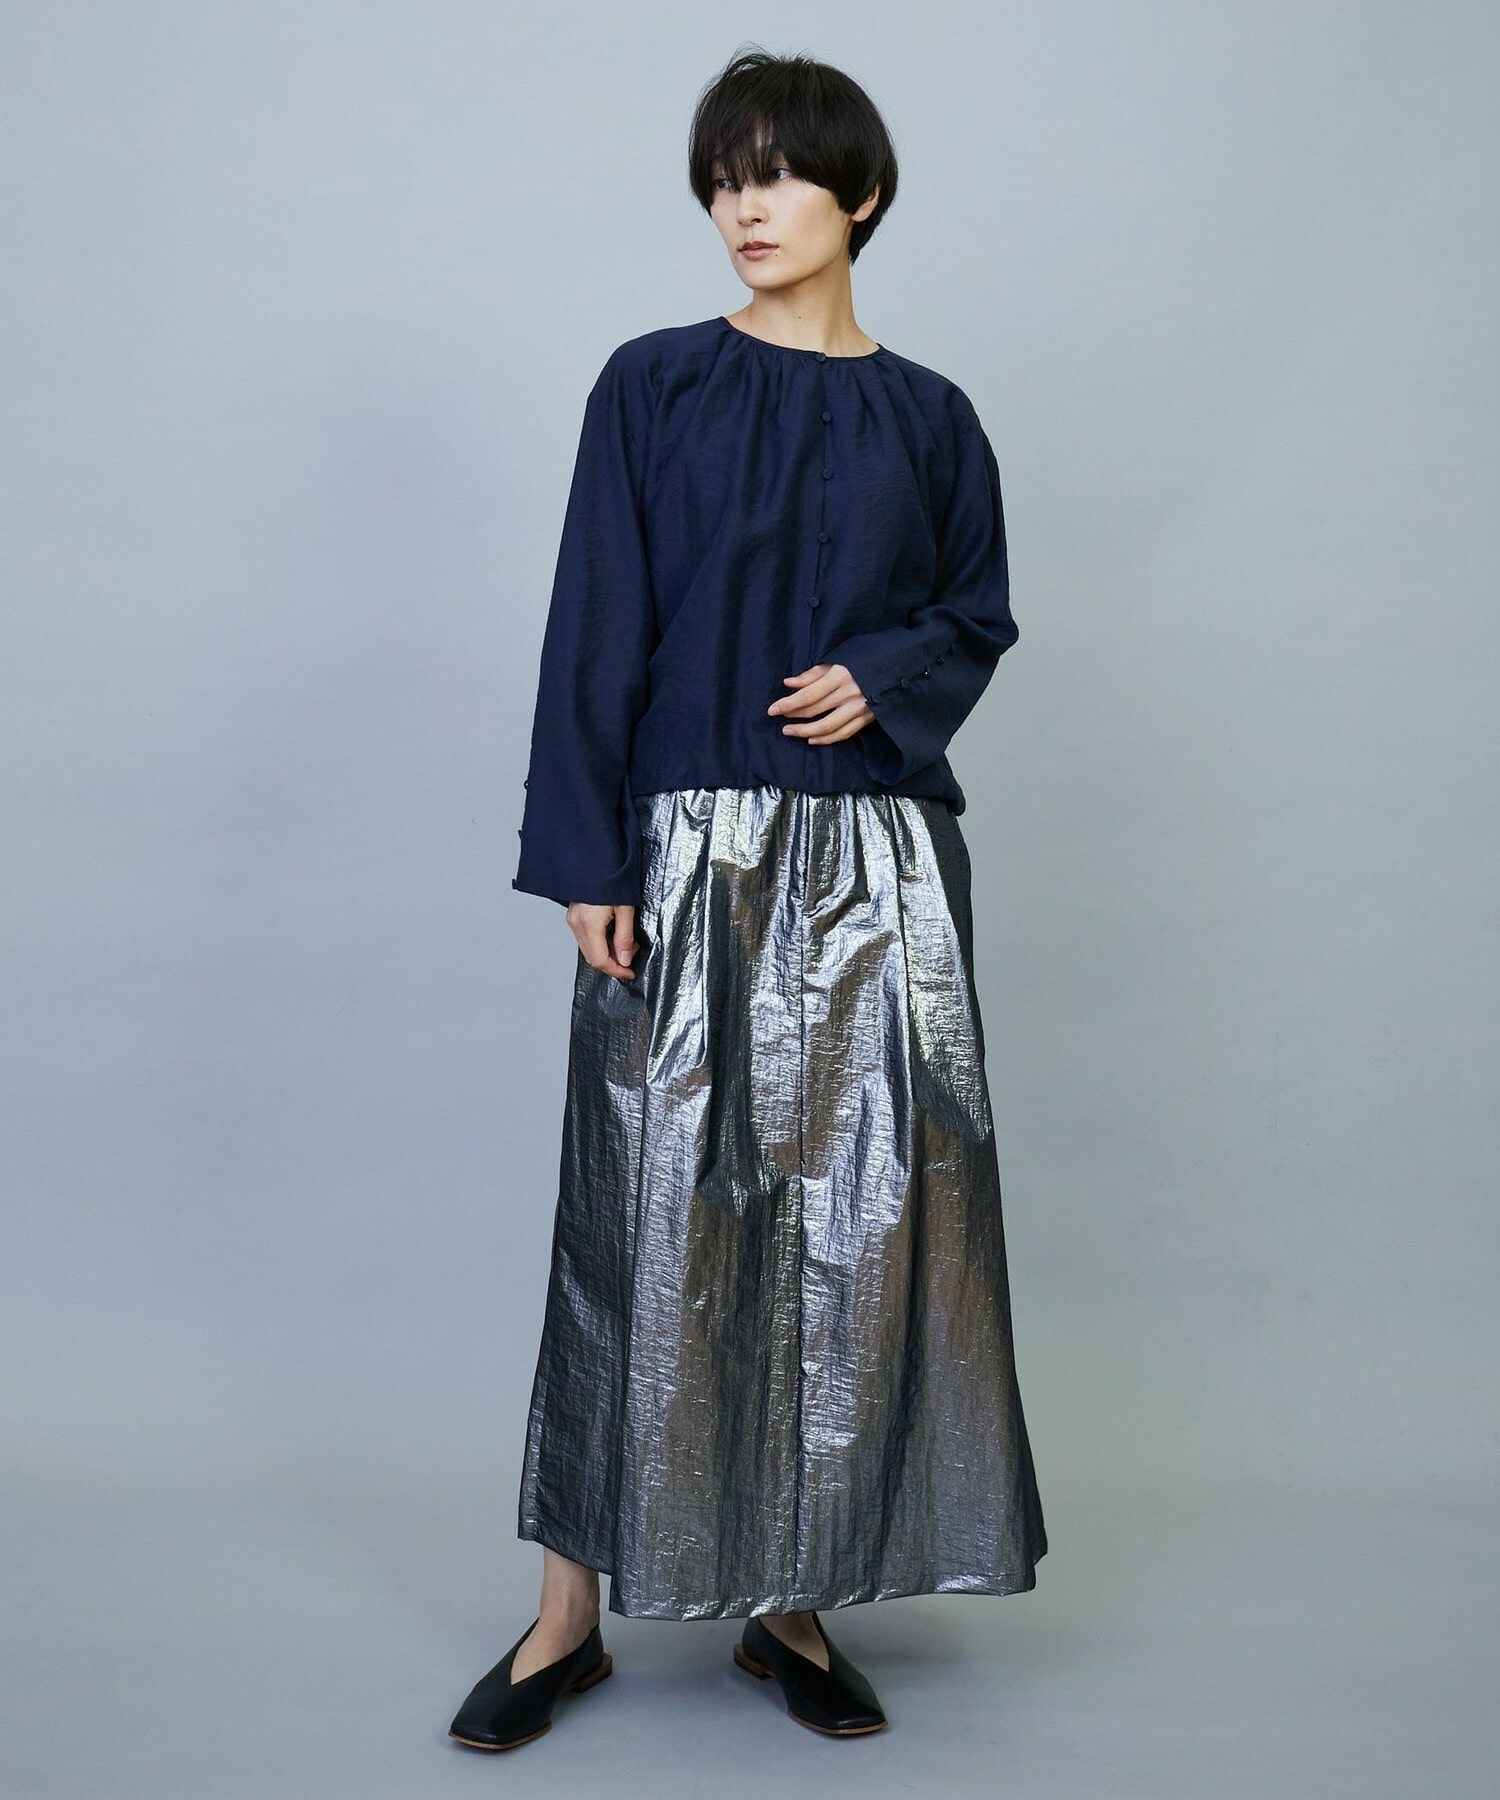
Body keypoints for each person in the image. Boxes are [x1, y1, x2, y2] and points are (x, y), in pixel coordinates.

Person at [448, 46, 1047, 1751]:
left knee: (853, 1237)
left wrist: (884, 676)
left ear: (862, 195)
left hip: (876, 871)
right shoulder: (654, 386)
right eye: (724, 179)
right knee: (637, 1224)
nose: (745, 208)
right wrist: (586, 857)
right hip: (685, 857)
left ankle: (791, 1604)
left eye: (777, 174)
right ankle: (566, 1618)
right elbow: (595, 620)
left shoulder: (933, 418)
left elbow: (976, 615)